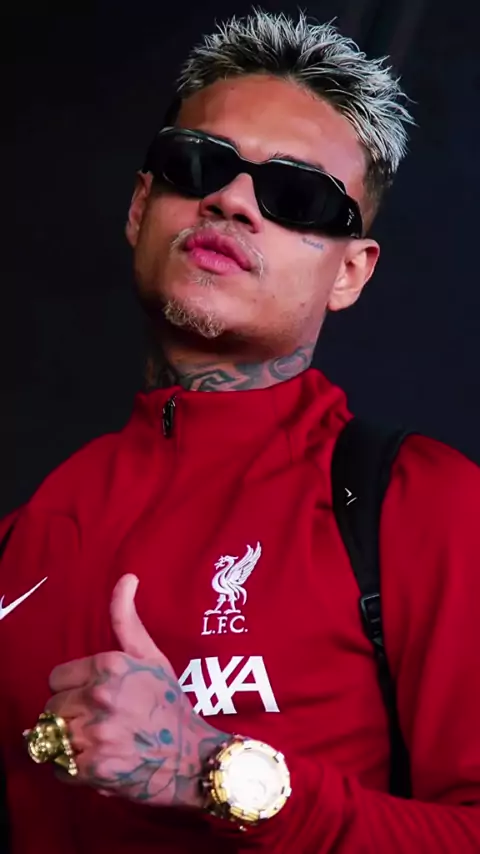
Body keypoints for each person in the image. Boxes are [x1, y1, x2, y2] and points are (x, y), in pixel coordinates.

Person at [1, 9, 479, 853]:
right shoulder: (27, 535)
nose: (230, 200)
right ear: (142, 206)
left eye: (297, 196)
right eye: (199, 164)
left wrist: (210, 771)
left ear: (350, 273)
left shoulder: (425, 505)